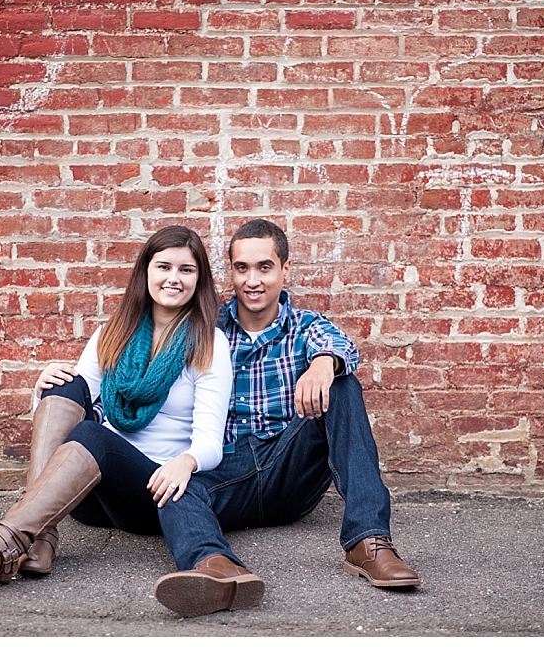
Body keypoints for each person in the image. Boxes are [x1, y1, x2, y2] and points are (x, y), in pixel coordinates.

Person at [0, 226, 264, 616]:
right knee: (65, 384)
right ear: (145, 271)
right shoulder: (111, 334)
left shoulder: (208, 342)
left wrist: (185, 462)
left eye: (186, 270)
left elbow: (209, 443)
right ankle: (39, 536)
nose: (173, 278)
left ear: (199, 279)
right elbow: (71, 414)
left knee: (90, 433)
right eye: (164, 266)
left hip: (155, 489)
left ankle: (12, 540)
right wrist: (42, 388)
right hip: (91, 495)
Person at [150, 219, 420, 613]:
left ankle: (369, 542)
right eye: (242, 269)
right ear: (231, 271)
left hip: (287, 466)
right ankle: (215, 569)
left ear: (285, 269)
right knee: (173, 481)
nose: (253, 280)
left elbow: (338, 344)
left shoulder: (304, 326)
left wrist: (324, 364)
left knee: (343, 386)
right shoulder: (207, 326)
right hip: (230, 469)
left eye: (264, 267)